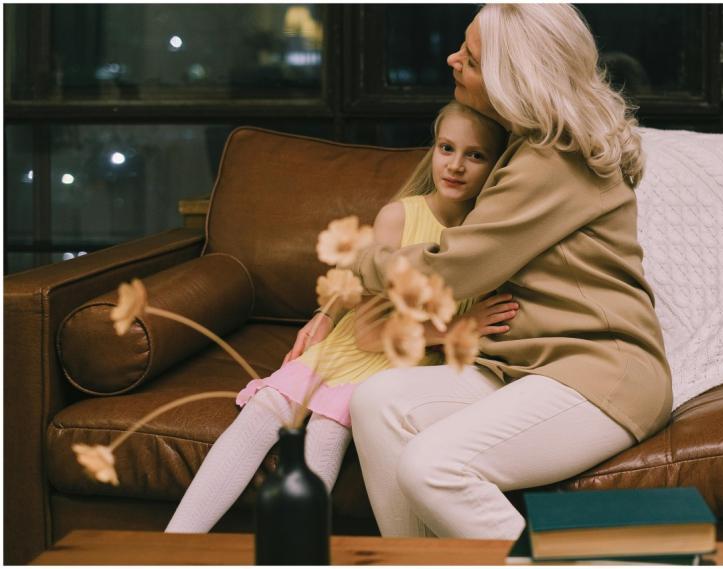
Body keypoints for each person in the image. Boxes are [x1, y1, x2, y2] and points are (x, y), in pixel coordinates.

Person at [338, 4, 673, 540]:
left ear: (507, 80)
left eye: (468, 59)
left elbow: (449, 274)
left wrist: (360, 258)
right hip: (530, 366)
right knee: (375, 401)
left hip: (597, 376)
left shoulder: (551, 161)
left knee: (435, 467)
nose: (452, 60)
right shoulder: (529, 146)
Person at [164, 100, 515, 533]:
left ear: (497, 166)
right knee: (265, 407)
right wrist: (457, 330)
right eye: (446, 148)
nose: (456, 165)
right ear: (434, 150)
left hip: (401, 373)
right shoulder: (399, 216)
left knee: (329, 428)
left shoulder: (490, 237)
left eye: (475, 155)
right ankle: (175, 545)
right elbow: (368, 334)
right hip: (356, 347)